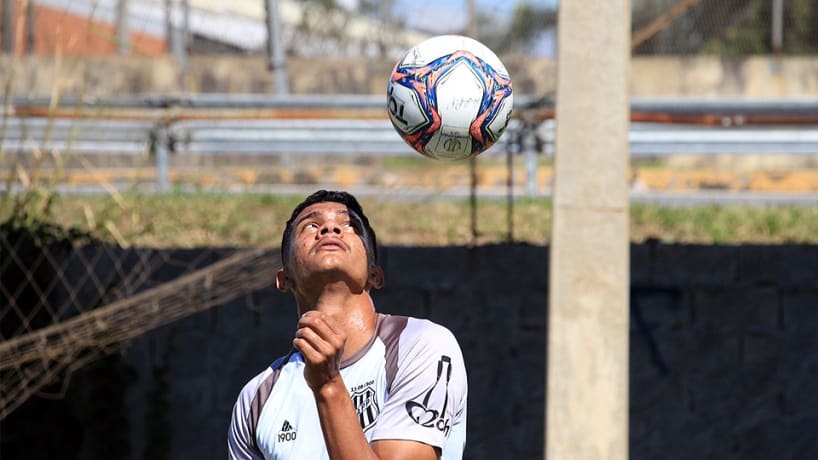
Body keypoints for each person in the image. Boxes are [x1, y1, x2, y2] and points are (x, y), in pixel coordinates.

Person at [228, 190, 468, 460]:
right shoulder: (256, 399)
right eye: (311, 225)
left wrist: (328, 385)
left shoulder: (421, 344)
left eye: (349, 225)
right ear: (284, 279)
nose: (330, 228)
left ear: (374, 275)